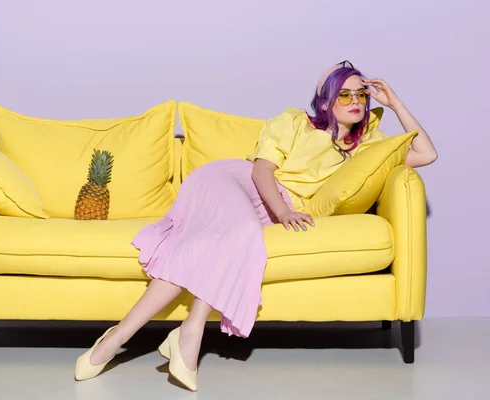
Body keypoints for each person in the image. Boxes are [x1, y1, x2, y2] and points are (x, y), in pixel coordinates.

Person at [73, 60, 438, 391]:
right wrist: (283, 214)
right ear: (326, 101)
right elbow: (262, 170)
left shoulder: (367, 144)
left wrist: (395, 103)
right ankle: (172, 335)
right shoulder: (295, 121)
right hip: (234, 182)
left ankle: (132, 336)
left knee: (205, 248)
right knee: (245, 233)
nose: (356, 100)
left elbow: (426, 153)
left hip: (257, 210)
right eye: (345, 93)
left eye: (361, 93)